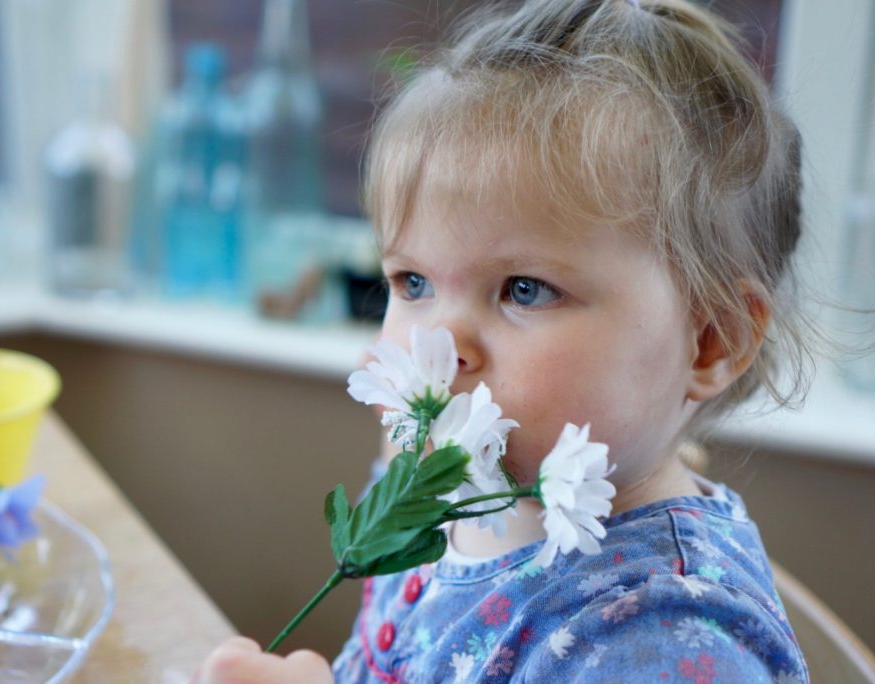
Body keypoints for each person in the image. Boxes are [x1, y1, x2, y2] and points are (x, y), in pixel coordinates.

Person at [199, 0, 812, 680]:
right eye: (412, 282)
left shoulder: (658, 639)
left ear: (711, 340)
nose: (440, 343)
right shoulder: (442, 482)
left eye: (524, 289)